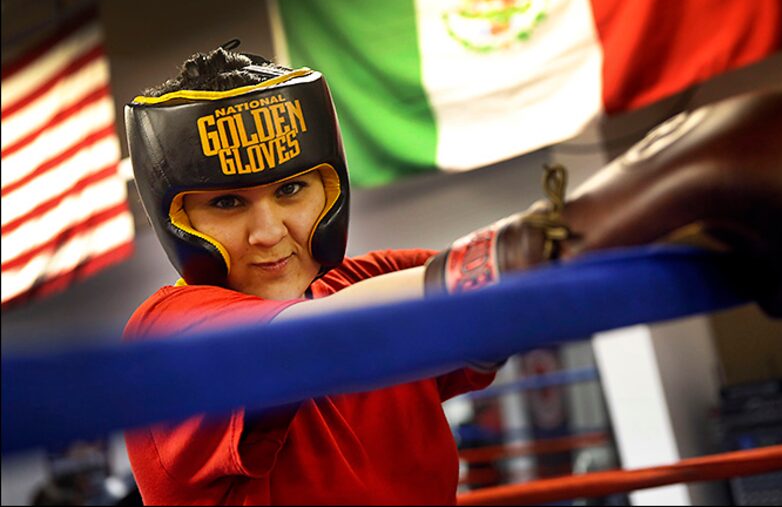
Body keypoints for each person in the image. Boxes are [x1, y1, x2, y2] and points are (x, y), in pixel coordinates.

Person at [122, 44, 560, 505]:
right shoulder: (165, 337)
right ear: (176, 219)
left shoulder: (367, 281)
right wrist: (528, 247)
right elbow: (321, 340)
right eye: (227, 203)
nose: (269, 234)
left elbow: (517, 283)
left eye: (291, 189)